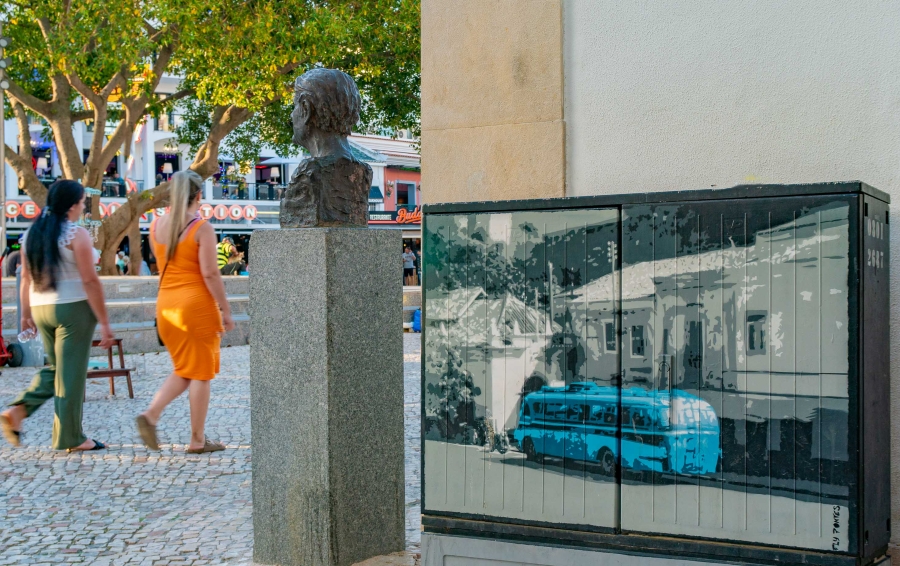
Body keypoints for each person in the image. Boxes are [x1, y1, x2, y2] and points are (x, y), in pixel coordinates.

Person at [0, 180, 115, 451]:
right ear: (72, 205)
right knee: (72, 374)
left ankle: (19, 411)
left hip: (41, 307)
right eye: (83, 201)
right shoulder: (76, 235)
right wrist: (105, 323)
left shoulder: (32, 234)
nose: (84, 205)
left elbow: (25, 277)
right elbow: (90, 281)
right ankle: (71, 437)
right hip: (73, 308)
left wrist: (26, 315)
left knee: (57, 369)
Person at [136, 170, 235, 454]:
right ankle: (197, 440)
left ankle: (152, 414)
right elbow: (210, 273)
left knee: (185, 369)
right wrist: (226, 310)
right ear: (199, 195)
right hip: (196, 306)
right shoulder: (201, 228)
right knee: (201, 373)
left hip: (166, 304)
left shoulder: (155, 226)